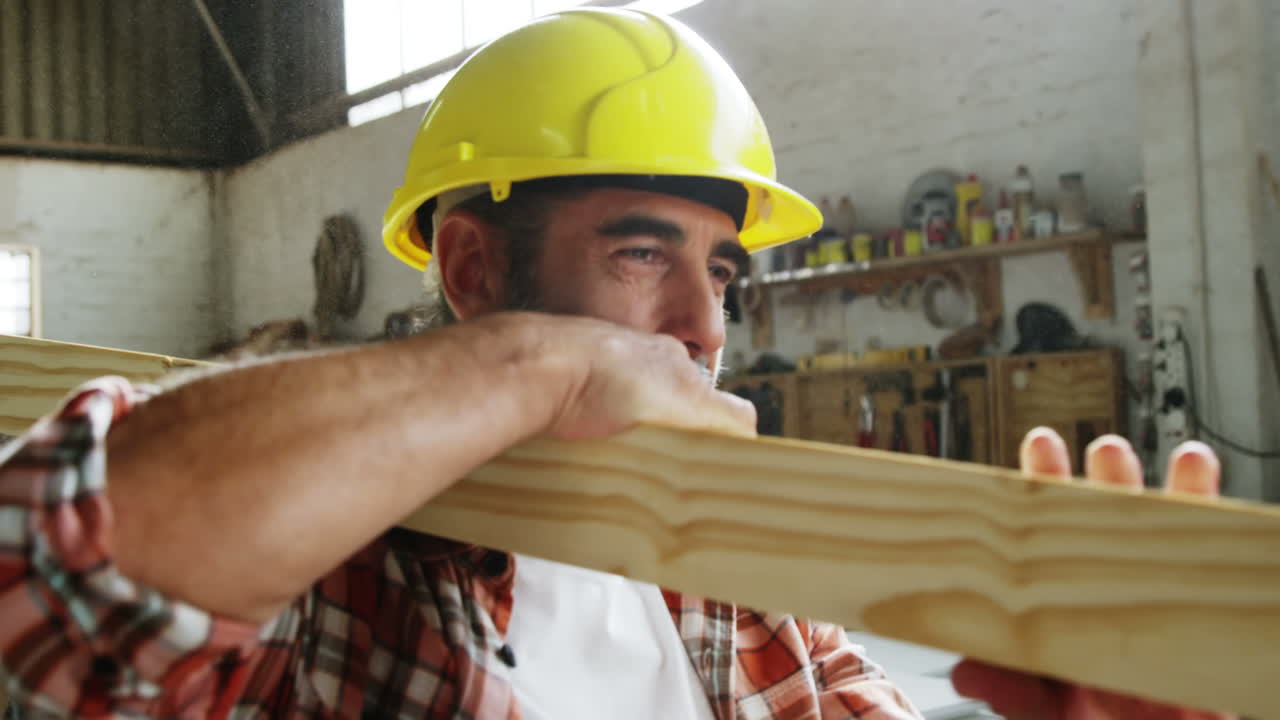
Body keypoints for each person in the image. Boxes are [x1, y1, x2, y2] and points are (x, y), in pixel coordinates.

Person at [0, 8, 1233, 719]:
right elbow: (50, 558)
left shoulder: (732, 579)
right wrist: (549, 363)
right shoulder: (336, 566)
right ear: (472, 269)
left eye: (723, 272)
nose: (703, 324)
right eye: (644, 253)